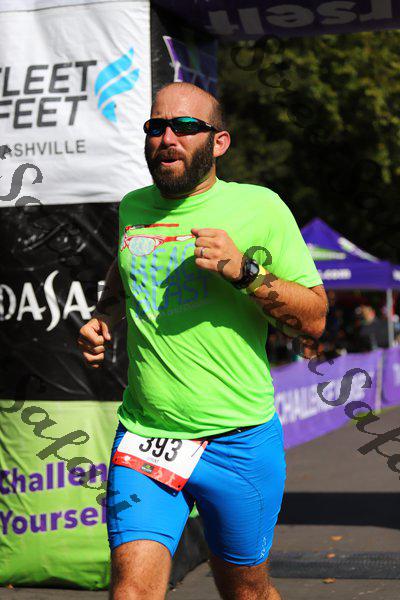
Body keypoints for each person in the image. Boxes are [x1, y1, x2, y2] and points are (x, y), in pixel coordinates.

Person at [78, 82, 327, 600]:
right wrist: (105, 315)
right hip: (146, 436)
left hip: (238, 442)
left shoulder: (260, 206)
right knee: (131, 591)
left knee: (246, 592)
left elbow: (314, 320)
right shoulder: (134, 206)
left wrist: (246, 273)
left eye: (186, 127)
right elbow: (124, 267)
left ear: (219, 142)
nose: (167, 138)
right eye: (157, 127)